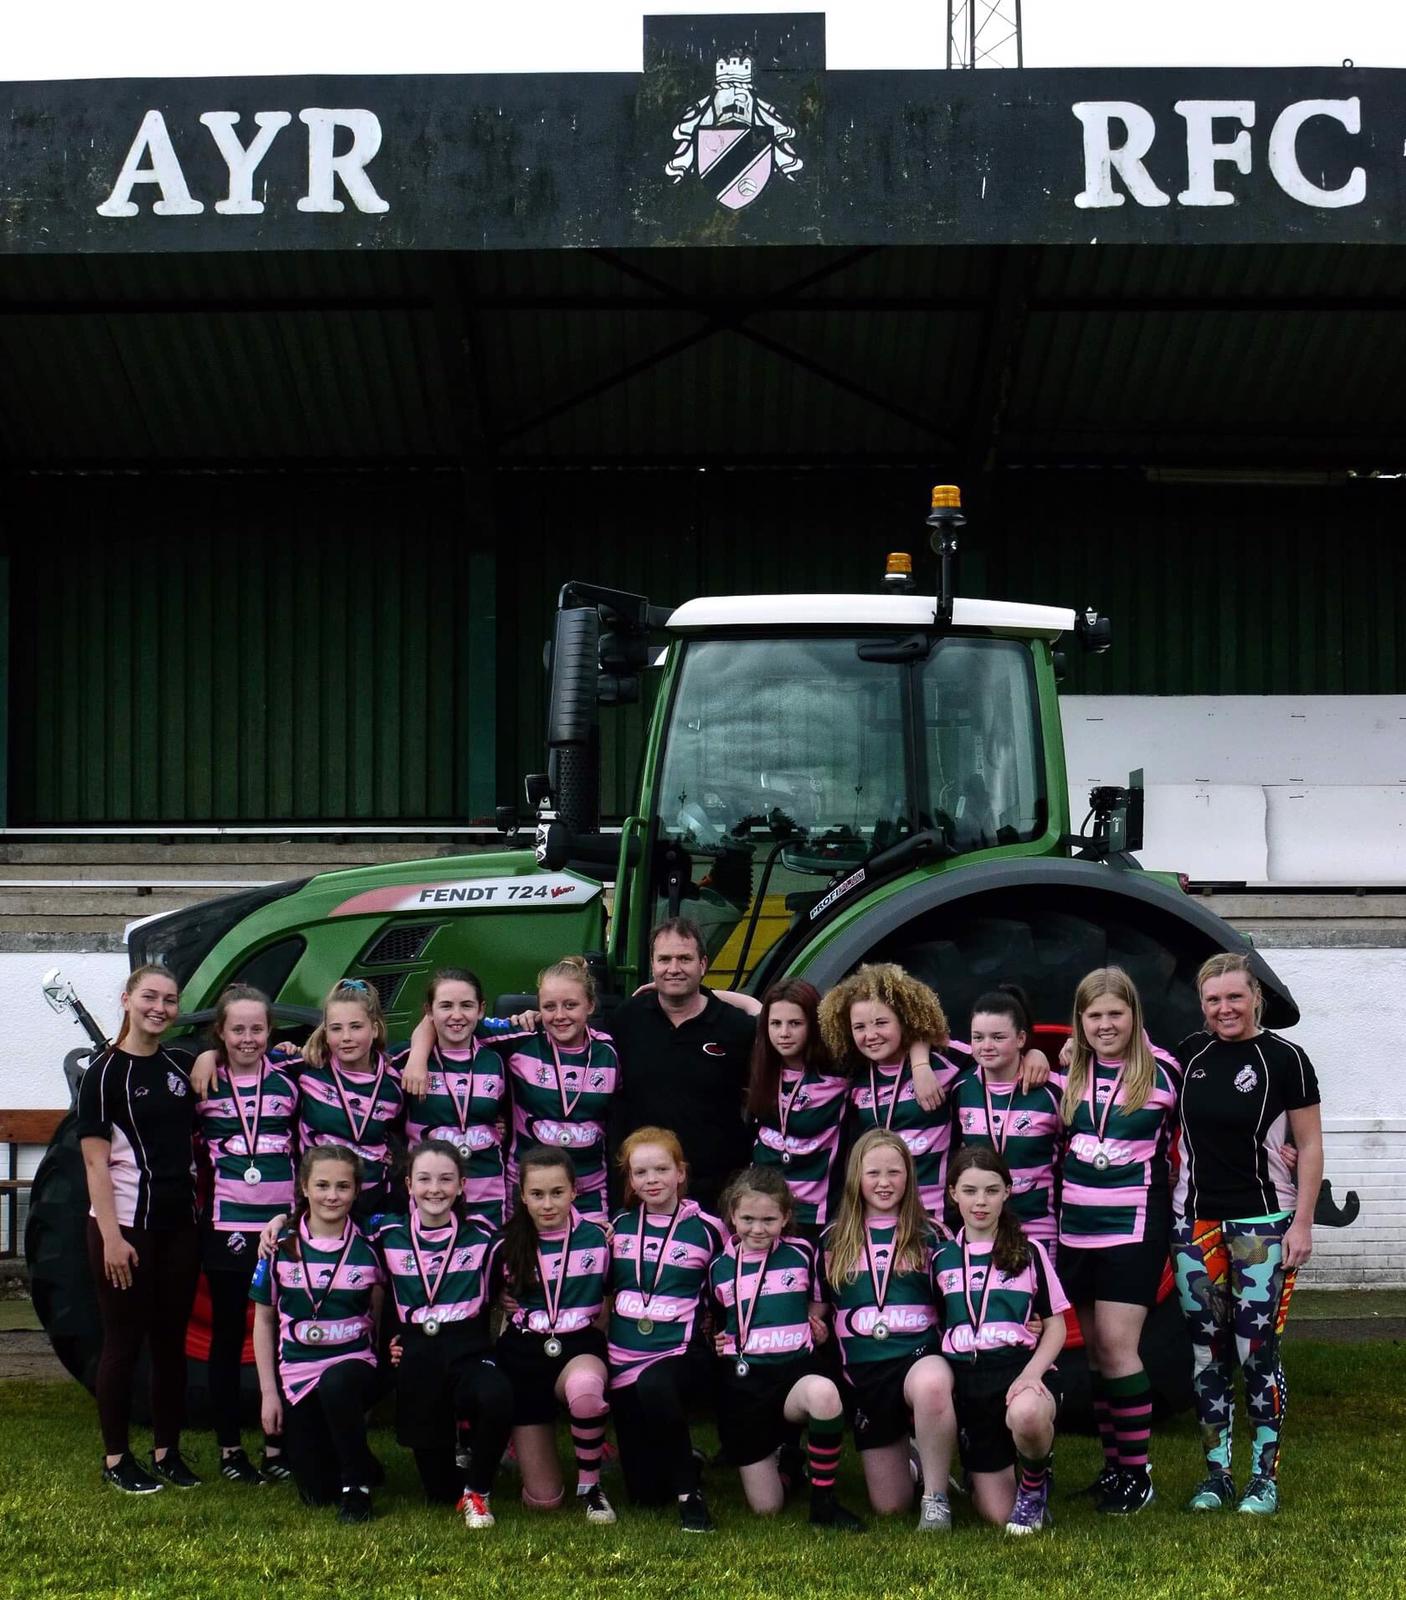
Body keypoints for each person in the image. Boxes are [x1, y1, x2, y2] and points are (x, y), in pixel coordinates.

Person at [1171, 952, 1323, 1517]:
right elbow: (1124, 1062)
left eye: (1234, 997)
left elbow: (1309, 1145)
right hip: (1194, 1226)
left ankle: (1264, 1477)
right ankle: (1217, 1476)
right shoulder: (1189, 1054)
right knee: (1206, 1357)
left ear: (1255, 997)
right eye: (1213, 1000)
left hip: (1263, 1225)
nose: (1224, 1009)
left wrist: (1302, 1223)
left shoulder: (1288, 1059)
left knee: (1256, 1352)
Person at [1056, 966, 1180, 1516]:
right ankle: (1114, 1469)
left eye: (1115, 1014)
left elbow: (1205, 1133)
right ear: (1080, 1023)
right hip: (1075, 1229)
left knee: (1118, 1347)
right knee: (1098, 1357)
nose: (1105, 1025)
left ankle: (1137, 1472)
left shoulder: (1165, 1074)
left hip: (1133, 1228)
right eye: (1094, 1016)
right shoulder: (1067, 1075)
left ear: (1133, 1016)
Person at [76, 963, 203, 1494]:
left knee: (172, 1343)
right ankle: (115, 1459)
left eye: (170, 1000)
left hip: (180, 1225)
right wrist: (111, 1237)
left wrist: (217, 1053)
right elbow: (93, 1164)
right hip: (127, 1226)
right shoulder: (103, 1074)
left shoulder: (182, 1062)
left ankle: (167, 1451)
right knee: (123, 1344)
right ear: (127, 999)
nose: (160, 1008)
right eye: (150, 997)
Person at [709, 1165, 863, 1531]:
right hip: (745, 1384)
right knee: (767, 1508)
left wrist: (816, 1324)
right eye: (747, 1218)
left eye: (768, 1219)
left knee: (825, 1394)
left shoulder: (803, 1253)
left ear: (785, 1217)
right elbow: (717, 1319)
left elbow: (818, 1300)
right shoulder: (718, 1267)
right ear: (733, 1215)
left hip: (794, 1372)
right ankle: (790, 1463)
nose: (757, 1229)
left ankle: (823, 1504)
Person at [370, 1140, 512, 1529]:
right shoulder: (387, 1237)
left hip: (468, 1347)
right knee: (437, 1492)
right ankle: (459, 1472)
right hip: (417, 1353)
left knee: (497, 1395)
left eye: (446, 1179)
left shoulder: (484, 1237)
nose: (436, 1188)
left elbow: (540, 1233)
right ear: (408, 1185)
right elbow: (333, 1230)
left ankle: (478, 1490)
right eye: (425, 1179)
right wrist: (281, 1221)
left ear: (462, 1185)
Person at [822, 1129, 957, 1530]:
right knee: (889, 1506)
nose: (884, 1183)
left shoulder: (932, 1235)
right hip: (866, 1375)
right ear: (855, 1178)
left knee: (932, 1384)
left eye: (895, 1173)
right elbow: (815, 1309)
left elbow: (963, 1301)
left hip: (919, 1358)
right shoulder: (832, 1241)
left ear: (909, 1177)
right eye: (874, 1173)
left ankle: (936, 1498)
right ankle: (916, 1458)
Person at [932, 1147, 1068, 1535]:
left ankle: (1034, 1483)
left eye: (991, 1190)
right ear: (953, 1193)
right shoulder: (940, 1258)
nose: (980, 1202)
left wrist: (1032, 1374)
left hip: (1018, 1367)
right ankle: (982, 1472)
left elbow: (1055, 1326)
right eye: (970, 1191)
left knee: (1027, 1413)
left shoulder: (1029, 1251)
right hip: (969, 1380)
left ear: (1007, 1192)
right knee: (994, 1514)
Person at [194, 983, 298, 1485]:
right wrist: (203, 1057)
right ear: (221, 1032)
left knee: (279, 1333)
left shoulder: (290, 1079)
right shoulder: (207, 1082)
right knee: (227, 1339)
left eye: (257, 1028)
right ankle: (231, 1450)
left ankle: (278, 1449)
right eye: (238, 1029)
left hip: (283, 1226)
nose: (248, 1038)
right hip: (228, 1228)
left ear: (270, 1032)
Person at [249, 1145, 384, 1523]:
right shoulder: (278, 1245)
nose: (332, 1195)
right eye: (321, 1185)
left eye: (343, 1186)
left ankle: (357, 1489)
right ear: (304, 1188)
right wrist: (269, 1394)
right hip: (297, 1376)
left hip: (354, 1365)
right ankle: (359, 1459)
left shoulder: (372, 1242)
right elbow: (263, 1321)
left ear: (357, 1191)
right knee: (315, 1494)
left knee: (337, 1382)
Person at [606, 1126, 724, 1531]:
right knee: (644, 1495)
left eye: (661, 1169)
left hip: (679, 1355)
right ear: (630, 1179)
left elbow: (735, 1281)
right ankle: (682, 1457)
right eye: (640, 1172)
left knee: (657, 1384)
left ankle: (690, 1497)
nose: (651, 1180)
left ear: (680, 1173)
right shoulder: (616, 1228)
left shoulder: (710, 1228)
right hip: (622, 1363)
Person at [493, 1147, 615, 1523]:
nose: (548, 1204)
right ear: (523, 1196)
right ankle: (515, 1450)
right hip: (524, 1354)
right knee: (543, 1500)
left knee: (586, 1392)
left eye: (557, 1192)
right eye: (537, 1194)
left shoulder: (601, 1239)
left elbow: (611, 1295)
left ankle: (592, 1487)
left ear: (575, 1191)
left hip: (578, 1345)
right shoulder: (504, 1244)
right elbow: (493, 1302)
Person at [607, 919, 758, 1216]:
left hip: (718, 1193)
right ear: (652, 965)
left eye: (684, 959)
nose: (673, 968)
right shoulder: (626, 1020)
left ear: (703, 964)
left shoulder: (737, 1027)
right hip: (644, 1191)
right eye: (664, 959)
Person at [818, 963, 961, 1220]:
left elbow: (997, 1056)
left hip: (933, 1215)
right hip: (879, 1216)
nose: (870, 1035)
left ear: (905, 1020)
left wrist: (1034, 1055)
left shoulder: (944, 1061)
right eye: (859, 1027)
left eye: (881, 1023)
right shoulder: (854, 1076)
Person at [947, 986, 1063, 1243]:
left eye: (998, 1037)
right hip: (980, 1231)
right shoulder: (960, 1089)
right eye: (977, 1037)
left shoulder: (1052, 1091)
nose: (986, 1046)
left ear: (1021, 1039)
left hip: (1037, 1230)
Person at [398, 969, 510, 1230]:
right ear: (429, 1010)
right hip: (431, 1197)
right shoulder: (407, 1061)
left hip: (488, 1196)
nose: (457, 1015)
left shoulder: (496, 1060)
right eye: (446, 1006)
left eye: (467, 1005)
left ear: (481, 1009)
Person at [745, 980, 850, 1238]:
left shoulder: (840, 1072)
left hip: (816, 1218)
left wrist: (919, 1064)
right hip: (765, 1216)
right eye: (776, 1024)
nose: (784, 1033)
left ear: (813, 1026)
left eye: (795, 1024)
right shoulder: (761, 1070)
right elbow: (749, 1006)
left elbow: (911, 1033)